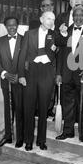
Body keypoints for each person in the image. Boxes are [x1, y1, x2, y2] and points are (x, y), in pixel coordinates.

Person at [18, 11, 57, 151]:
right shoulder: (29, 34)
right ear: (41, 19)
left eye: (53, 19)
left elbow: (59, 52)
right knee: (29, 108)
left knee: (43, 109)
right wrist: (21, 75)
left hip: (46, 73)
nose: (50, 21)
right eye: (48, 18)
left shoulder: (55, 35)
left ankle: (41, 140)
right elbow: (22, 55)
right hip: (31, 73)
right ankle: (28, 140)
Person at [55, 6, 83, 143]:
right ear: (72, 17)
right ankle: (68, 131)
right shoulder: (66, 30)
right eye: (75, 15)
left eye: (81, 15)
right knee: (67, 104)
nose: (78, 18)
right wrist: (58, 73)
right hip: (66, 73)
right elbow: (59, 53)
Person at [0, 17, 24, 148]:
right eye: (9, 25)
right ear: (6, 26)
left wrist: (20, 75)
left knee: (20, 110)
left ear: (18, 25)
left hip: (20, 81)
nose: (12, 27)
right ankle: (9, 137)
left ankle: (20, 138)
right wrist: (5, 74)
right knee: (8, 110)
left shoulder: (24, 39)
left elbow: (28, 61)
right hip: (6, 82)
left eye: (14, 25)